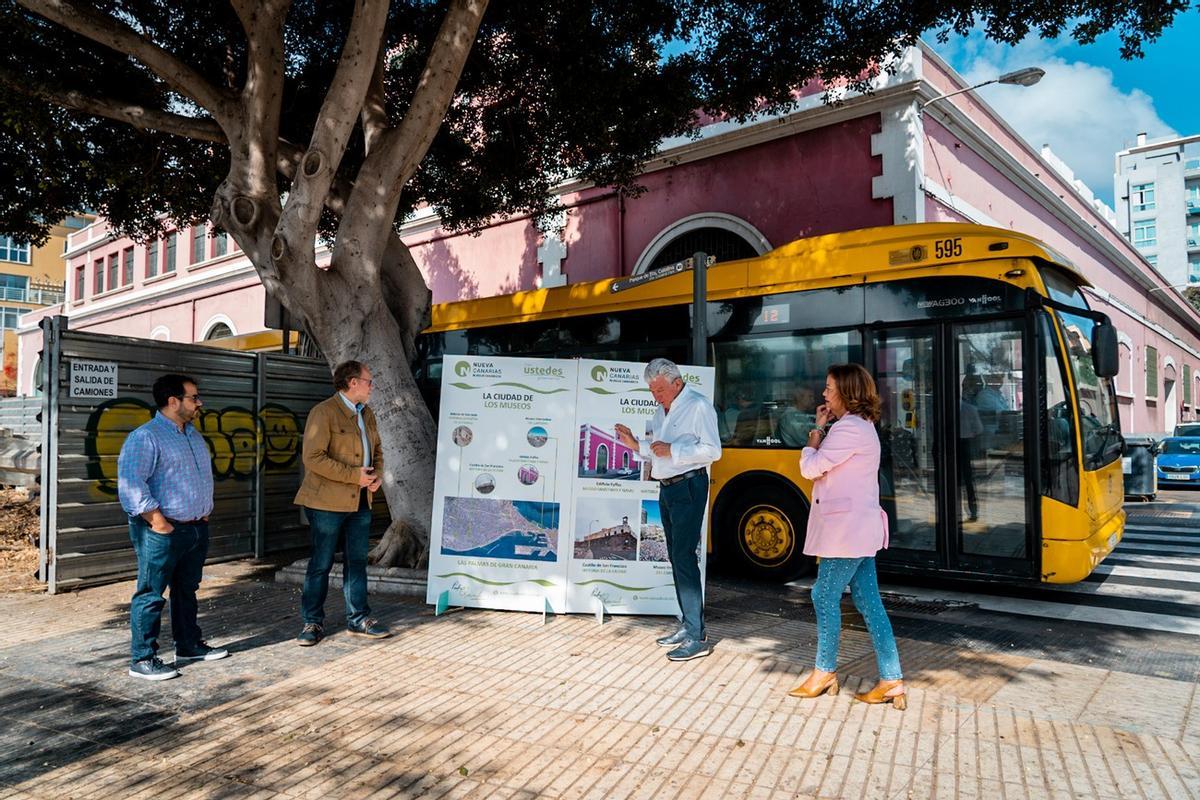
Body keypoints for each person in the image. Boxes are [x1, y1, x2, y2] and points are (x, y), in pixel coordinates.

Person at [788, 364, 906, 709]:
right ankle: (891, 679)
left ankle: (824, 673)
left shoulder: (848, 430)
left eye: (829, 388)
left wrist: (814, 434)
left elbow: (810, 468)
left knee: (823, 596)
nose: (823, 394)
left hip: (847, 533)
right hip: (855, 530)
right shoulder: (859, 427)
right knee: (868, 602)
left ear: (847, 393)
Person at [118, 374, 228, 680]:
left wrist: (203, 513)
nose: (199, 403)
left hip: (195, 529)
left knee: (187, 590)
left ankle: (188, 645)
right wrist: (158, 522)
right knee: (151, 593)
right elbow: (131, 484)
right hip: (162, 531)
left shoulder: (193, 434)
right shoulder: (146, 437)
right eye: (194, 397)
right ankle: (142, 659)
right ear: (172, 401)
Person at [615, 358, 721, 661]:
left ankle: (697, 635)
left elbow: (713, 451)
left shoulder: (698, 405)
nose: (656, 396)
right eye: (652, 390)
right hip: (668, 487)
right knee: (676, 557)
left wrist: (674, 450)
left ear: (677, 382)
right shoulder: (661, 409)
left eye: (659, 390)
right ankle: (688, 626)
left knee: (683, 557)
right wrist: (635, 445)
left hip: (689, 486)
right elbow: (658, 451)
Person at [293, 360, 389, 646]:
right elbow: (313, 458)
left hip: (361, 500)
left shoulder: (367, 413)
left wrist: (377, 477)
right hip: (326, 503)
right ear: (352, 382)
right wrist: (353, 477)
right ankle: (312, 622)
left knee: (357, 562)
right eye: (368, 381)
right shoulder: (323, 412)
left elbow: (378, 451)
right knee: (321, 563)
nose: (372, 386)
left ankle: (359, 618)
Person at [958, 377, 984, 522]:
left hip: (950, 447)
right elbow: (979, 429)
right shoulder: (970, 409)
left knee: (953, 480)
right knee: (968, 481)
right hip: (965, 446)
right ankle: (972, 511)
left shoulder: (943, 409)